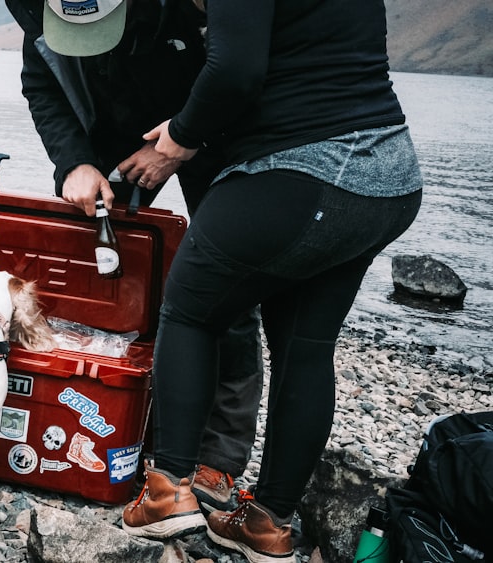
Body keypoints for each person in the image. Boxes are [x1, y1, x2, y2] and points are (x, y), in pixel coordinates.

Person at [37, 0, 423, 560]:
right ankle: (268, 523)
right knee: (306, 347)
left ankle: (168, 491)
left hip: (300, 173)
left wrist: (181, 135)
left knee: (191, 311)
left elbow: (236, 69)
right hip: (384, 176)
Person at [5, 0, 264, 516]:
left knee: (225, 293)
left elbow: (235, 75)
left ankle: (216, 458)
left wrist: (184, 138)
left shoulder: (190, 10)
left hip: (206, 132)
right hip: (106, 133)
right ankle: (105, 422)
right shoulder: (38, 11)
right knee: (96, 284)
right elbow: (43, 85)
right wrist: (73, 162)